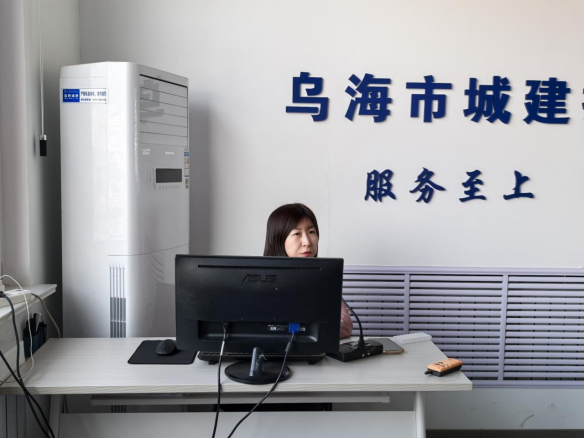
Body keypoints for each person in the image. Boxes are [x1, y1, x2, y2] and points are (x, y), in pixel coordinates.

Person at [263, 203, 354, 339]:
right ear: (278, 239)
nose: (307, 242)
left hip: (316, 351)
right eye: (297, 233)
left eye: (311, 232)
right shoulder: (261, 281)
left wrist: (298, 330)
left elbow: (345, 325)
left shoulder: (323, 277)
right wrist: (311, 329)